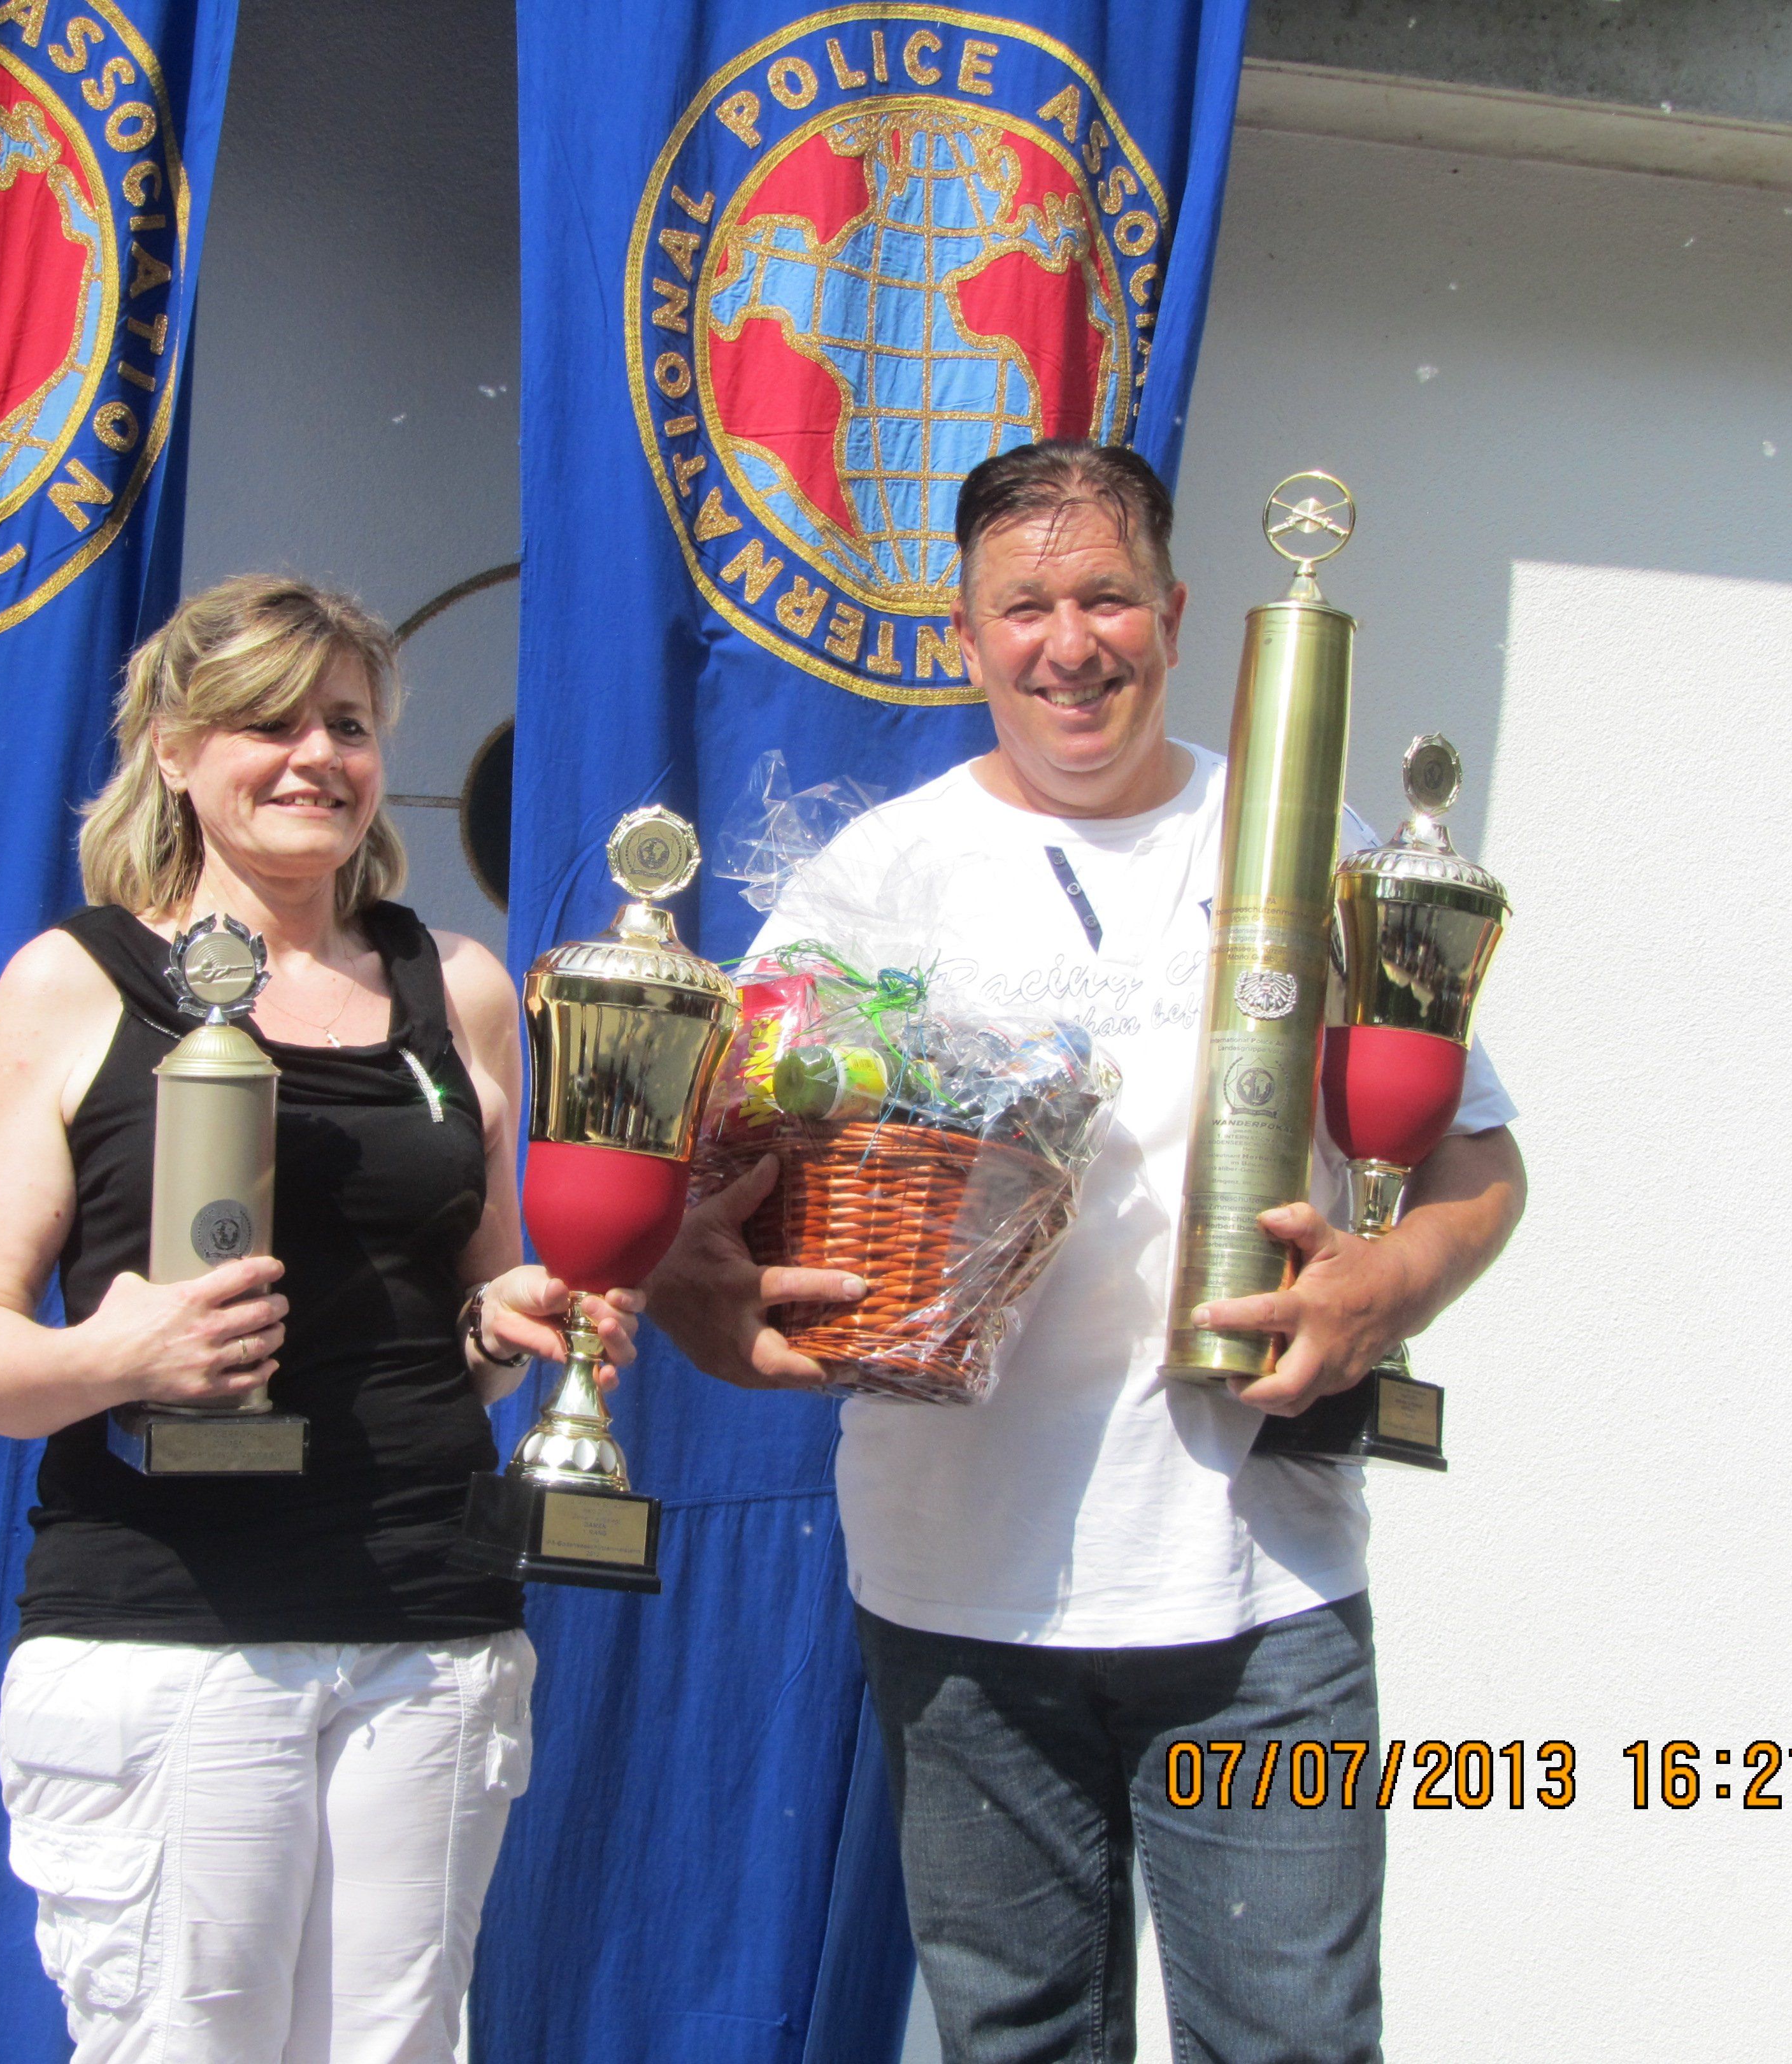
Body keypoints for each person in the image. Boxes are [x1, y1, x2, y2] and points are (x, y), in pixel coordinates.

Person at [648, 443, 1527, 2064]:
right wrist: (692, 1290)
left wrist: (1391, 1283)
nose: (1071, 644)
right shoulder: (873, 874)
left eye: (1108, 598)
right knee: (1020, 2040)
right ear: (965, 638)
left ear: (1175, 617)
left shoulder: (1299, 837)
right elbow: (705, 1166)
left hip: (1262, 1583)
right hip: (955, 1584)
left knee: (1296, 2040)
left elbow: (1474, 1157)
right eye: (1025, 607)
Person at [0, 574, 635, 2064]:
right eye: (267, 722)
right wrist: (120, 1356)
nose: (316, 756)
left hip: (431, 1627)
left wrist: (510, 1324)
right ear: (175, 750)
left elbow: (470, 1330)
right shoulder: (76, 983)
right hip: (177, 1631)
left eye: (348, 725)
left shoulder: (461, 990)